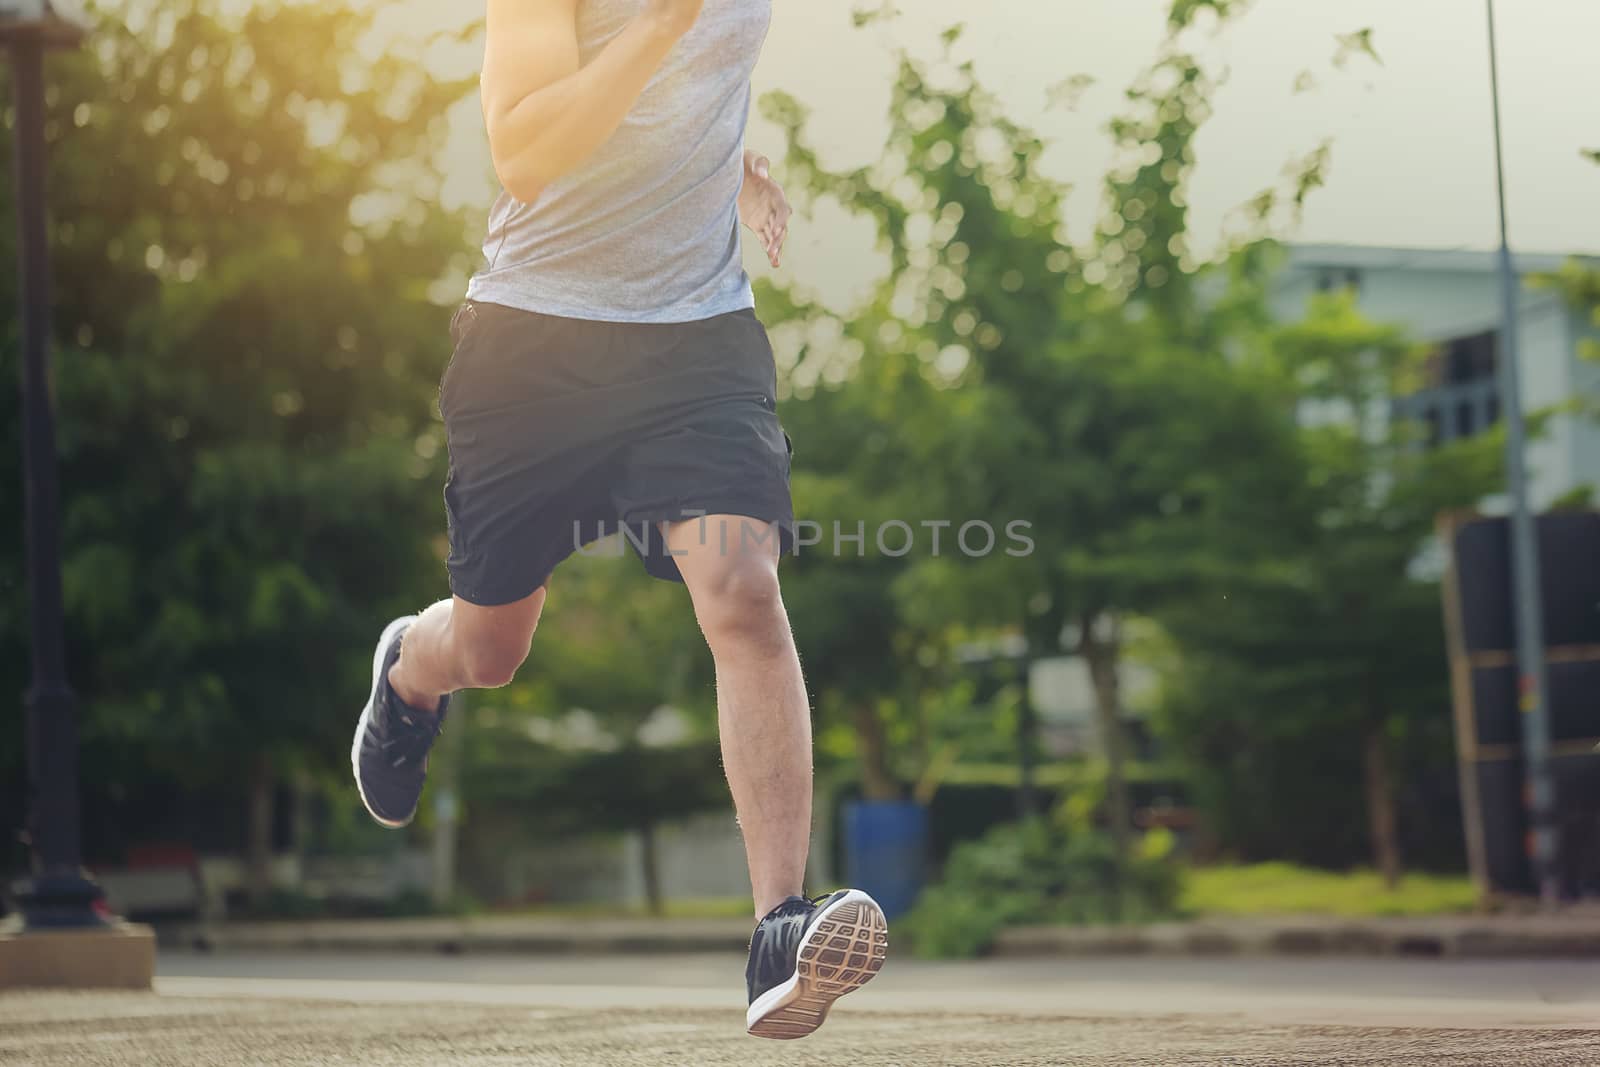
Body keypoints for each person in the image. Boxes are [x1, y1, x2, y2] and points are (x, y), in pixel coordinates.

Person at [348, 0, 887, 1040]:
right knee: (492, 647)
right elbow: (526, 149)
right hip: (532, 346)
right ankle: (412, 666)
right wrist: (660, 25)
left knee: (743, 590)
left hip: (697, 340)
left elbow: (696, 86)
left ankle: (779, 923)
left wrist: (725, 161)